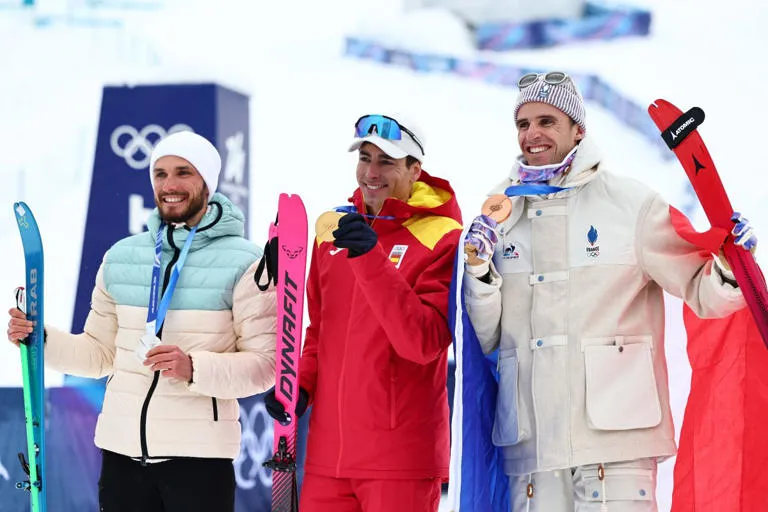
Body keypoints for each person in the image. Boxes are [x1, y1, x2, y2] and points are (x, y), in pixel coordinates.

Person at [460, 71, 757, 511]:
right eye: (523, 124)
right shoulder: (499, 211)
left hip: (617, 444)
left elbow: (702, 292)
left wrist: (732, 266)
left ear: (578, 129)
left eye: (547, 121)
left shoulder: (631, 204)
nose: (532, 134)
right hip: (532, 449)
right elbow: (489, 338)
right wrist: (479, 270)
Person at [6, 131, 277, 512]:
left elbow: (266, 366)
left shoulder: (246, 262)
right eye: (160, 174)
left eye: (183, 172)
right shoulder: (122, 257)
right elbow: (98, 354)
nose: (170, 185)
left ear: (207, 182)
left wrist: (193, 367)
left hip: (198, 461)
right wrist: (39, 341)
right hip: (121, 457)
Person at [264, 114, 463, 511]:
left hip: (399, 460)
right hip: (328, 457)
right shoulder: (332, 231)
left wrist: (370, 258)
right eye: (365, 158)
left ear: (414, 169)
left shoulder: (443, 237)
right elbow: (319, 332)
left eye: (386, 161)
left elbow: (423, 342)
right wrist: (299, 384)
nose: (371, 172)